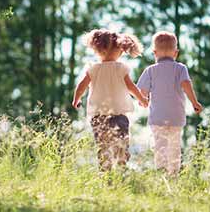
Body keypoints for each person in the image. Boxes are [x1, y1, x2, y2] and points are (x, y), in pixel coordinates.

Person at [72, 29, 148, 171]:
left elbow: (81, 86)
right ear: (118, 49)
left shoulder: (93, 68)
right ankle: (121, 171)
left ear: (98, 49)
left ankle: (105, 174)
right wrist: (142, 99)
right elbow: (131, 87)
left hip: (98, 116)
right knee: (121, 146)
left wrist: (76, 99)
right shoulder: (120, 68)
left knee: (103, 147)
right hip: (119, 115)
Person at [136, 31, 202, 175]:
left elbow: (141, 91)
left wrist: (143, 100)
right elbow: (186, 84)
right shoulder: (180, 68)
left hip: (158, 117)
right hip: (176, 117)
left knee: (160, 146)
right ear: (176, 53)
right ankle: (174, 174)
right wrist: (194, 102)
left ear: (154, 53)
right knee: (174, 147)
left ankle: (161, 174)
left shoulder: (150, 70)